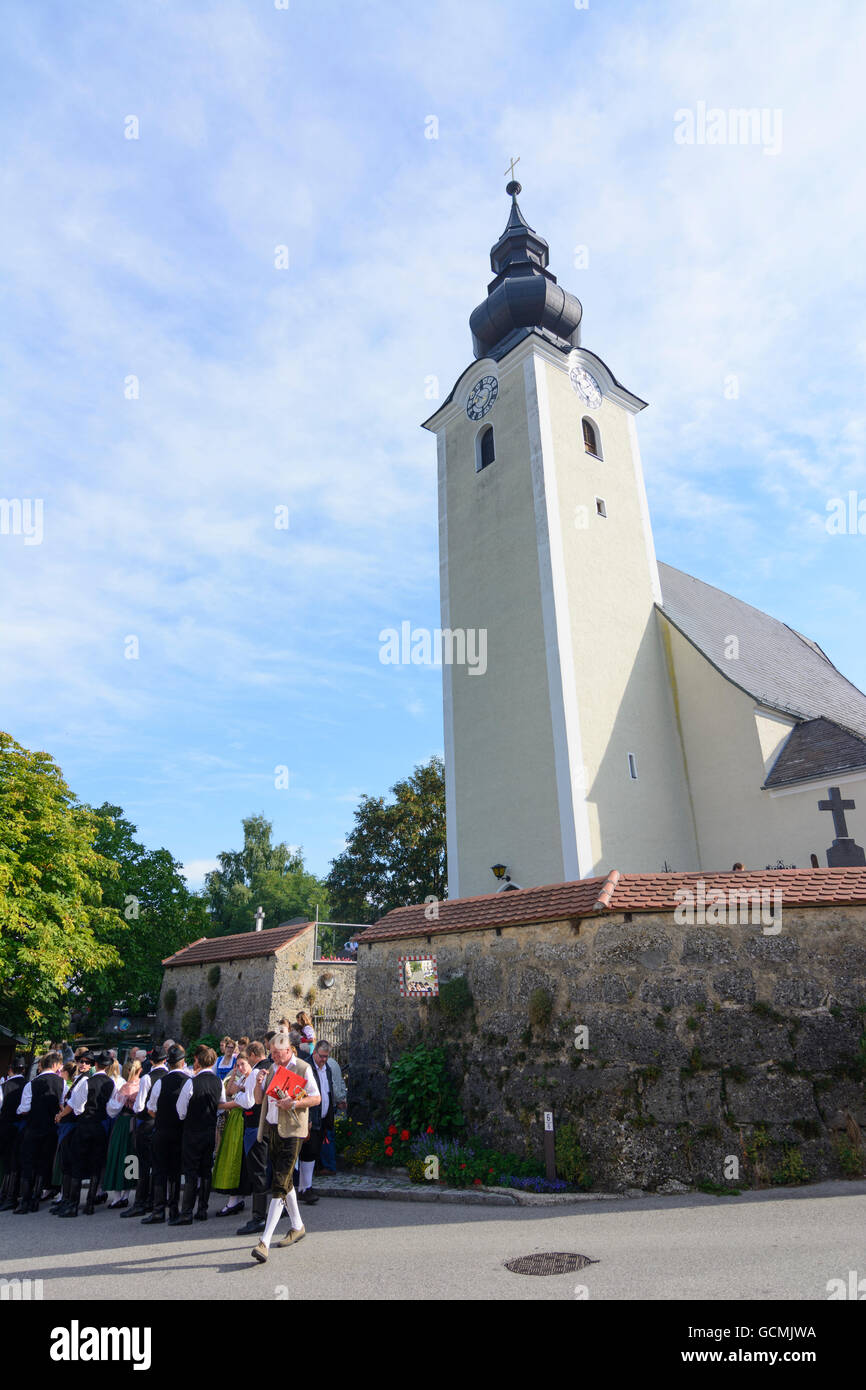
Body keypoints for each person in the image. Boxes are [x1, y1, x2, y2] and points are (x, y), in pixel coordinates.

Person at [248, 1032, 319, 1264]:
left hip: (292, 1132)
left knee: (279, 1183)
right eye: (272, 1053)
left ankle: (264, 1241)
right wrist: (259, 1084)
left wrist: (294, 1102)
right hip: (272, 1129)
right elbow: (258, 1101)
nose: (274, 1057)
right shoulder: (271, 1068)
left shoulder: (302, 1068)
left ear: (289, 1050)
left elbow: (316, 1098)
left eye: (278, 1054)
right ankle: (297, 1226)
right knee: (285, 1181)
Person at [55, 1050, 117, 1217]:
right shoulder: (111, 1083)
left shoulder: (86, 1082)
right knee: (96, 1165)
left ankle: (73, 1205)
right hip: (100, 1126)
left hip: (84, 1126)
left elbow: (78, 1107)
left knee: (77, 1163)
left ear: (95, 1064)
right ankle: (90, 1204)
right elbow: (112, 1108)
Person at [171, 1046, 224, 1225]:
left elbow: (180, 1111)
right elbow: (221, 1104)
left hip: (193, 1131)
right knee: (206, 1170)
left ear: (198, 1062)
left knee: (191, 1172)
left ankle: (186, 1212)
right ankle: (202, 1208)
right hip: (209, 1130)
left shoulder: (191, 1082)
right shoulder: (218, 1082)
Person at [141, 1044, 188, 1224]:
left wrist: (162, 1115)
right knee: (175, 1172)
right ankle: (174, 1208)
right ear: (183, 1062)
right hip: (179, 1131)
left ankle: (159, 1209)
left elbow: (151, 1109)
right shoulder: (188, 1081)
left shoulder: (160, 1082)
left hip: (161, 1129)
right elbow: (185, 1110)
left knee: (159, 1171)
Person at [121, 1045, 169, 1218]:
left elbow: (140, 1106)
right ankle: (156, 1201)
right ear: (165, 1060)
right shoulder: (169, 1076)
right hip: (165, 1124)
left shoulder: (148, 1078)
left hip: (148, 1123)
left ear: (150, 1061)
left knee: (143, 1166)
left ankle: (141, 1202)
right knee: (159, 1166)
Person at [14, 1051, 64, 1213]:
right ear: (56, 1065)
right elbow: (63, 1105)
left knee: (28, 1163)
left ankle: (25, 1201)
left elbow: (24, 1109)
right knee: (44, 1163)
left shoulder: (31, 1084)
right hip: (51, 1129)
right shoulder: (62, 1084)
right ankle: (36, 1198)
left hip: (33, 1127)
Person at [233, 1042, 272, 1237]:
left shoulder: (258, 1072)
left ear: (254, 1055)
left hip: (255, 1125)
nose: (246, 1061)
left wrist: (234, 1100)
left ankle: (259, 1217)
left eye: (247, 1058)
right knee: (266, 1170)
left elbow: (250, 1101)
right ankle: (273, 1212)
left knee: (258, 1172)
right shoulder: (270, 1067)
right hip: (267, 1124)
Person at [212, 1053, 252, 1214]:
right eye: (238, 1064)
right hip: (235, 1119)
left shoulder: (251, 1079)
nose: (240, 1067)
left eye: (243, 1064)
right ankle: (236, 1198)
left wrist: (223, 1106)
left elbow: (238, 1100)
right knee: (233, 1156)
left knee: (236, 1158)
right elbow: (229, 1091)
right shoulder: (240, 1077)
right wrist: (235, 1073)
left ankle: (235, 1198)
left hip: (241, 1118)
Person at [103, 1056, 142, 1207]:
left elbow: (112, 1109)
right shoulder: (143, 1084)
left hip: (124, 1122)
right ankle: (126, 1194)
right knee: (131, 1157)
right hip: (137, 1122)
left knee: (119, 1156)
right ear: (140, 1070)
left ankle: (118, 1196)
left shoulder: (125, 1087)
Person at [307, 1040, 347, 1179]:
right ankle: (311, 1175)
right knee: (312, 1147)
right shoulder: (308, 1067)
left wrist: (338, 1100)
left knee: (325, 1141)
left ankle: (325, 1167)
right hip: (313, 1115)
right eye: (321, 1056)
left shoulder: (327, 1067)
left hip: (326, 1113)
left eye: (326, 1056)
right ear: (314, 1052)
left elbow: (330, 1088)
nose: (324, 1059)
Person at [0, 1058, 27, 1212]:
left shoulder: (4, 1087)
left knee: (7, 1160)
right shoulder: (28, 1085)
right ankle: (11, 1194)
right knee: (16, 1160)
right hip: (22, 1126)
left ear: (11, 1070)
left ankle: (7, 1195)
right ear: (23, 1070)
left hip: (6, 1126)